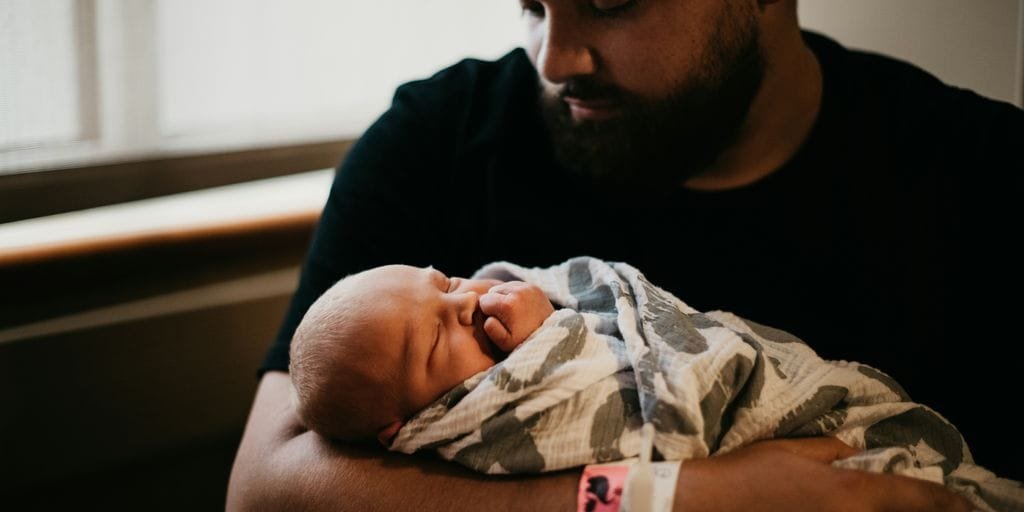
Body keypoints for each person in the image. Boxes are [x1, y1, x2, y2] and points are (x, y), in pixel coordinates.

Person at [228, 0, 1023, 510]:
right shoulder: (436, 140)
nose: (553, 58)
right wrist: (679, 500)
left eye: (609, 2)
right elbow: (268, 491)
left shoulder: (980, 171)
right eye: (532, 4)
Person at [288, 265, 553, 445]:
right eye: (437, 337)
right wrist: (547, 330)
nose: (467, 300)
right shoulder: (483, 436)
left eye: (448, 285)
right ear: (407, 429)